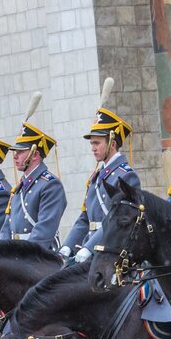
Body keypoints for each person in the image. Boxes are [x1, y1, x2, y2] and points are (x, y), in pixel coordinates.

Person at [60, 92, 139, 265]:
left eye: (97, 143)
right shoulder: (97, 176)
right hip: (92, 249)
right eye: (92, 144)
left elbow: (117, 219)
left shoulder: (126, 175)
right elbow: (85, 218)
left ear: (112, 142)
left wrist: (89, 247)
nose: (93, 148)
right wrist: (68, 245)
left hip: (112, 251)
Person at [0, 120, 66, 251]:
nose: (15, 156)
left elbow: (44, 230)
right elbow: (7, 227)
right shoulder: (19, 187)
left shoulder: (51, 184)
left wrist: (21, 257)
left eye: (20, 152)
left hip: (39, 256)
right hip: (16, 255)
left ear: (34, 155)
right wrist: (0, 252)